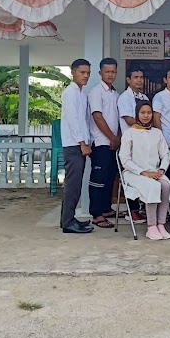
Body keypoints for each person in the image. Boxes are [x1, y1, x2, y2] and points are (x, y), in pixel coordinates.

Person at [119, 101, 170, 240]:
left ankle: (161, 224)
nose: (146, 116)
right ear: (137, 114)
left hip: (155, 172)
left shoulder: (157, 133)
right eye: (143, 112)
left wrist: (162, 170)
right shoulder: (129, 133)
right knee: (153, 186)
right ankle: (151, 226)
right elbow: (124, 159)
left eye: (149, 112)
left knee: (166, 185)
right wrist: (143, 172)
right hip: (134, 173)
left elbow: (165, 154)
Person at [59, 59, 94, 234]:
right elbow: (73, 121)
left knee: (76, 184)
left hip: (80, 144)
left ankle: (69, 219)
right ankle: (68, 223)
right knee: (72, 185)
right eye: (82, 72)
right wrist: (82, 143)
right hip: (73, 145)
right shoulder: (70, 93)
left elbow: (84, 121)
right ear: (73, 72)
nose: (86, 76)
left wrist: (88, 141)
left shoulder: (82, 93)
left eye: (88, 72)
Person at [88, 58, 121, 229]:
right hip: (101, 142)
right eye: (107, 71)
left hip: (113, 144)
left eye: (113, 71)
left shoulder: (115, 93)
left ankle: (106, 209)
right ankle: (96, 214)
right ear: (100, 73)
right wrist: (113, 138)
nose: (110, 74)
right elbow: (97, 117)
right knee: (98, 179)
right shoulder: (96, 92)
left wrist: (117, 139)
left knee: (110, 177)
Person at [116, 65, 149, 223]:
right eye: (136, 77)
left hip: (144, 142)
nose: (139, 80)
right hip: (131, 141)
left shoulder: (143, 97)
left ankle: (142, 208)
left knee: (144, 174)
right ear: (128, 80)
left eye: (141, 77)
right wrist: (143, 124)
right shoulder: (124, 98)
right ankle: (132, 210)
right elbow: (128, 118)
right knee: (132, 176)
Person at [152, 66, 170, 183]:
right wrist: (161, 138)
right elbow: (156, 117)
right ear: (165, 80)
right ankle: (165, 201)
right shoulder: (159, 97)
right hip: (165, 139)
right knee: (165, 173)